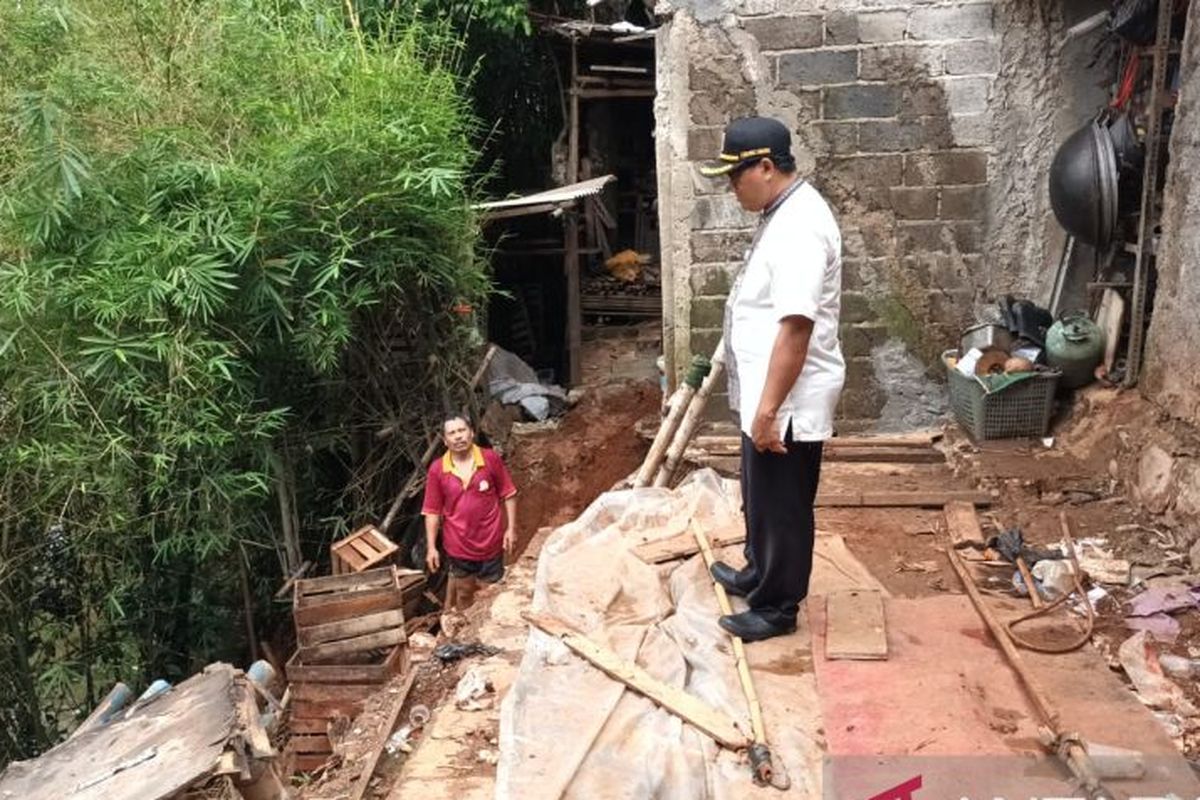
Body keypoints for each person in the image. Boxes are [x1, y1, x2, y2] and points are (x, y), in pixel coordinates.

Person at [699, 116, 845, 642]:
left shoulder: (801, 225)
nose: (731, 187)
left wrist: (768, 411)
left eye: (735, 176)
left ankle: (778, 606)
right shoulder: (780, 213)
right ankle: (758, 572)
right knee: (760, 495)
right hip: (766, 391)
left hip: (786, 398)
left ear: (765, 166)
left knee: (783, 505)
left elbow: (796, 327)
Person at [421, 414, 518, 610]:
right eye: (452, 433)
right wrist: (431, 547)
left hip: (491, 542)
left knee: (489, 594)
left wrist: (511, 529)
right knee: (464, 592)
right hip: (458, 546)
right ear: (445, 440)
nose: (458, 436)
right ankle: (465, 633)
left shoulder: (490, 459)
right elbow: (432, 511)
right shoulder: (438, 469)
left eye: (461, 430)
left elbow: (509, 493)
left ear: (471, 432)